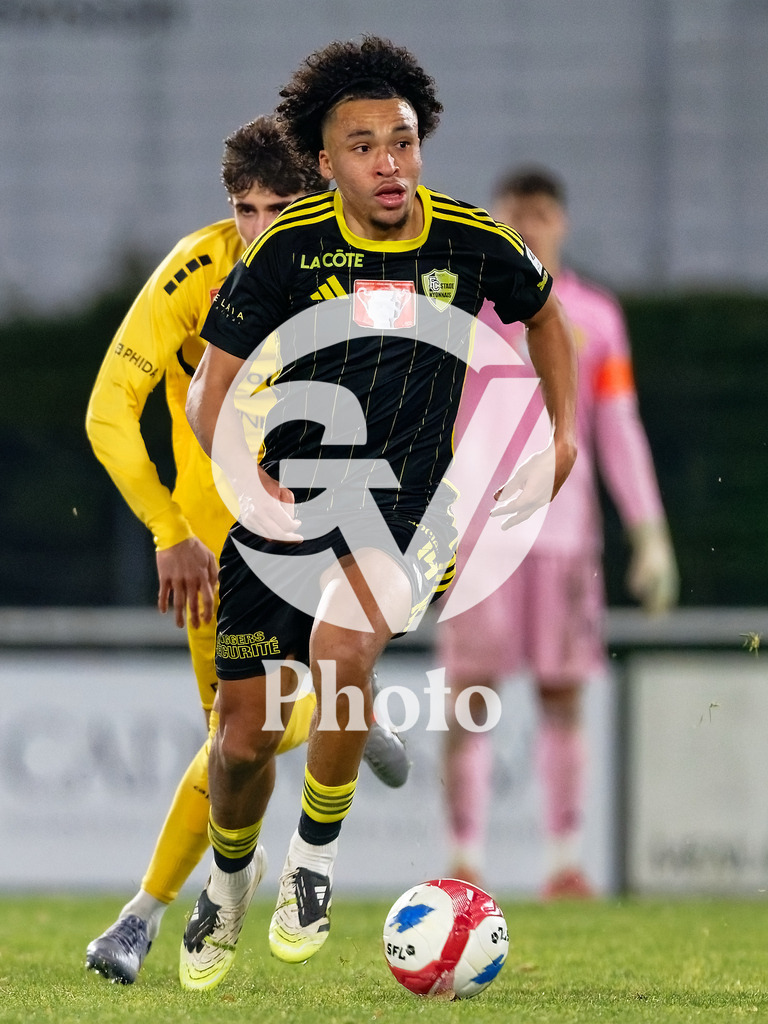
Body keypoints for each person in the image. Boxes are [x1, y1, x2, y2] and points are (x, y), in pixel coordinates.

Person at [179, 35, 577, 992]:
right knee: (239, 742)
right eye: (362, 146)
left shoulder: (470, 239)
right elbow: (207, 395)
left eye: (402, 141)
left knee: (345, 650)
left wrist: (561, 440)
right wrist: (246, 481)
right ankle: (233, 876)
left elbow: (546, 315)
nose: (388, 162)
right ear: (325, 162)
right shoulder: (288, 246)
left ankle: (312, 865)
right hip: (284, 507)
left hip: (407, 511)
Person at [83, 115, 410, 986]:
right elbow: (107, 411)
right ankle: (349, 715)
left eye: (279, 206)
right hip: (212, 544)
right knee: (234, 746)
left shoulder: (354, 272)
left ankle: (139, 918)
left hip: (319, 534)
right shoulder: (196, 269)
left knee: (240, 734)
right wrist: (170, 530)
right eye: (244, 208)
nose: (258, 227)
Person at [435, 166, 679, 898]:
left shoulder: (596, 318)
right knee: (468, 697)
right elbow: (432, 413)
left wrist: (650, 532)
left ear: (561, 223)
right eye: (516, 215)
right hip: (480, 537)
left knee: (563, 695)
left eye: (541, 214)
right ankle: (464, 858)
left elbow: (618, 426)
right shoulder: (470, 309)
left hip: (567, 538)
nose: (530, 227)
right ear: (499, 224)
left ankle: (564, 862)